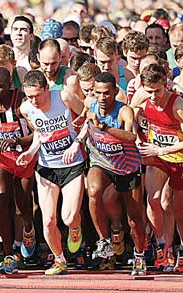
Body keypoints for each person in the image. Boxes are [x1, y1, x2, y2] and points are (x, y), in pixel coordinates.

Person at [16, 70, 85, 275]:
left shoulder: (63, 97)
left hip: (71, 164)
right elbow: (39, 133)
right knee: (48, 220)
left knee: (69, 217)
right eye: (29, 96)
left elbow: (88, 118)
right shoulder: (26, 108)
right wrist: (30, 152)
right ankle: (59, 259)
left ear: (47, 88)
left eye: (38, 95)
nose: (34, 100)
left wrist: (77, 144)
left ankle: (75, 227)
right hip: (46, 167)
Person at [85, 72, 145, 276]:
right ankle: (103, 241)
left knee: (134, 217)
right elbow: (86, 120)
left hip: (126, 166)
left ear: (115, 92)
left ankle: (139, 255)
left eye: (107, 93)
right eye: (98, 93)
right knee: (93, 190)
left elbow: (130, 136)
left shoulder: (124, 111)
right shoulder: (90, 104)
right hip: (101, 161)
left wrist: (104, 127)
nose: (102, 97)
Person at [0, 67, 36, 274]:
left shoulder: (21, 103)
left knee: (22, 206)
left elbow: (37, 134)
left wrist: (17, 140)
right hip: (1, 159)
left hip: (23, 158)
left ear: (9, 85)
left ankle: (28, 227)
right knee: (0, 201)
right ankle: (10, 253)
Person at [135, 64, 183, 272]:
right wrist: (137, 138)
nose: (153, 96)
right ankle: (163, 246)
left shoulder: (177, 104)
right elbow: (130, 115)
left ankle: (181, 248)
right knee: (153, 199)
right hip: (157, 156)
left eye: (157, 91)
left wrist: (162, 150)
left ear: (165, 85)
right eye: (149, 91)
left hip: (178, 158)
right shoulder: (142, 97)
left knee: (178, 210)